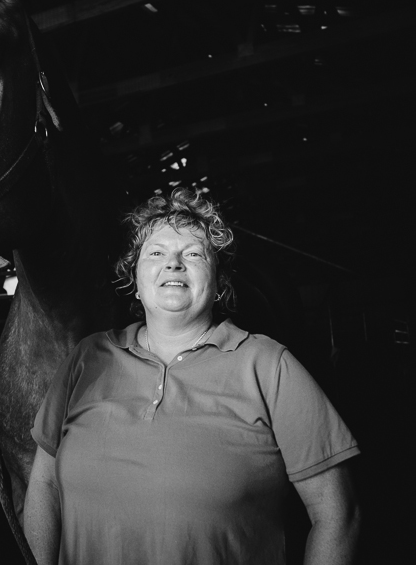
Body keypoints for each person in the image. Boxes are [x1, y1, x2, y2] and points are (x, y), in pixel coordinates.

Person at [24, 189, 361, 565]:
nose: (173, 264)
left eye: (194, 254)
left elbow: (337, 515)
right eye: (156, 253)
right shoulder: (87, 359)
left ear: (218, 284)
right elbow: (45, 483)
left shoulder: (268, 366)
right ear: (134, 279)